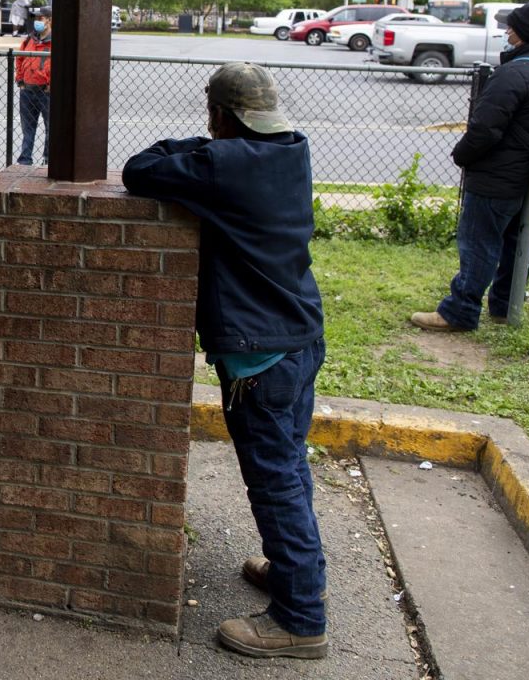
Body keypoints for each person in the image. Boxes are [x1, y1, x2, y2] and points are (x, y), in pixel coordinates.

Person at [121, 62, 328, 661]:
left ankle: (300, 618)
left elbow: (141, 169)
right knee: (290, 468)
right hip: (298, 337)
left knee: (276, 483)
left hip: (261, 357)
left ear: (218, 114)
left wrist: (196, 142)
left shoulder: (222, 164)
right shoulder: (291, 149)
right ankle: (294, 574)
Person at [411, 0, 529, 332]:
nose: (507, 32)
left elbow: (485, 129)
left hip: (498, 177)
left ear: (524, 32)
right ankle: (504, 306)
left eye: (512, 26)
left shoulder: (514, 73)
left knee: (479, 243)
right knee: (518, 242)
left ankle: (459, 311)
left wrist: (462, 155)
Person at [14, 6, 51, 166]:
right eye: (35, 18)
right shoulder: (30, 40)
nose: (37, 22)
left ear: (50, 20)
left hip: (46, 92)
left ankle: (48, 159)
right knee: (28, 129)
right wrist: (20, 80)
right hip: (27, 91)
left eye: (40, 18)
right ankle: (25, 160)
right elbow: (20, 58)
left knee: (51, 127)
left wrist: (50, 83)